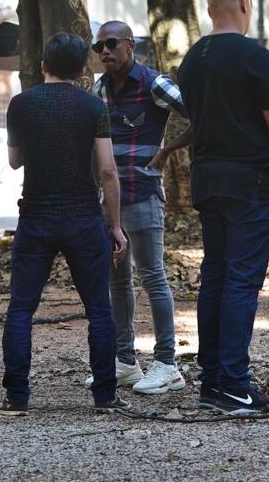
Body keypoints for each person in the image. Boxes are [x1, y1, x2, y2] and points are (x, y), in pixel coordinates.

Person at [0, 32, 129, 417]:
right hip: (84, 218)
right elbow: (106, 169)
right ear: (83, 69)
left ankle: (16, 396)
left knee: (21, 308)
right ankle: (105, 396)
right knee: (99, 308)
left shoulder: (21, 104)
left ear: (43, 66)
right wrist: (115, 226)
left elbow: (16, 161)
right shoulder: (93, 106)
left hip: (35, 216)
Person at [177, 0, 269, 415]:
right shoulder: (254, 57)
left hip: (208, 179)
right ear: (244, 4)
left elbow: (201, 119)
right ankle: (233, 382)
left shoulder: (192, 60)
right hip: (251, 181)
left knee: (218, 277)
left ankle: (215, 381)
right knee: (242, 280)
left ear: (210, 10)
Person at [87, 20, 190, 395]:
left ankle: (167, 364)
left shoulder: (154, 83)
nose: (104, 52)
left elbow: (200, 115)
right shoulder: (100, 88)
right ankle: (125, 361)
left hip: (143, 193)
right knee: (117, 280)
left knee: (152, 276)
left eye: (111, 44)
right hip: (108, 199)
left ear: (130, 45)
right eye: (98, 47)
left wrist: (167, 150)